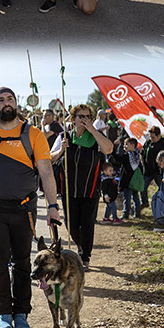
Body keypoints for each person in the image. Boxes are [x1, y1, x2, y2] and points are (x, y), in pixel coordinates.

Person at [0, 87, 60, 328]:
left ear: (16, 104)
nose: (6, 103)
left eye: (10, 99)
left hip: (24, 208)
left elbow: (46, 172)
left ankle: (21, 313)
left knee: (21, 262)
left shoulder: (33, 134)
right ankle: (4, 313)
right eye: (0, 100)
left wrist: (52, 206)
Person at [50, 103, 113, 268]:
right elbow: (50, 158)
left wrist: (93, 130)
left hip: (90, 188)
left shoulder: (95, 137)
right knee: (71, 223)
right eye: (81, 117)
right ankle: (80, 245)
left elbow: (108, 149)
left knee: (87, 223)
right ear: (73, 119)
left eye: (88, 117)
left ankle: (85, 257)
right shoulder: (64, 136)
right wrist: (60, 150)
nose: (84, 120)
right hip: (69, 188)